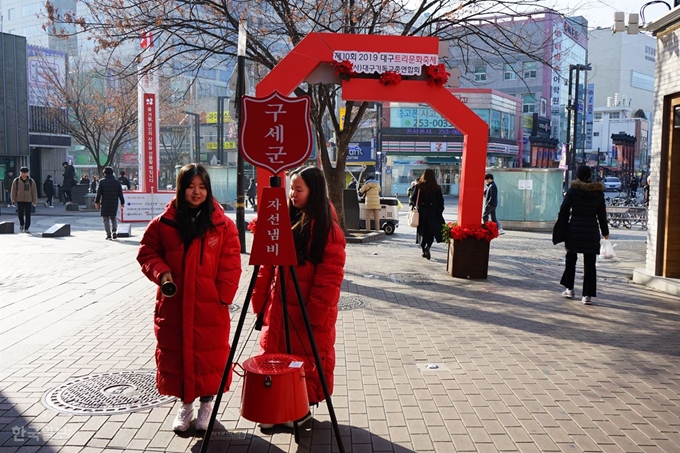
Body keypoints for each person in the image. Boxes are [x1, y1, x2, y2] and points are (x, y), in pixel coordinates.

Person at [137, 163, 242, 433]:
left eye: (202, 187)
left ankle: (207, 405)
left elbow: (231, 265)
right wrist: (162, 274)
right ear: (181, 188)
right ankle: (185, 406)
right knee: (178, 355)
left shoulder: (223, 225)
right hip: (173, 305)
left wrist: (222, 297)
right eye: (191, 187)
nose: (196, 192)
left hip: (209, 307)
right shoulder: (163, 223)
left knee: (209, 357)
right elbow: (147, 252)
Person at [251, 166, 346, 429]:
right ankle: (275, 409)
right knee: (275, 358)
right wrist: (260, 302)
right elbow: (267, 265)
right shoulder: (285, 220)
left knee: (303, 363)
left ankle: (299, 410)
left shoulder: (327, 230)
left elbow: (329, 279)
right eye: (291, 188)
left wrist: (314, 314)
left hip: (306, 314)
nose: (292, 194)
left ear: (313, 192)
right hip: (280, 309)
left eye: (298, 189)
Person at [557, 165, 610, 305]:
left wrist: (562, 227)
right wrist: (605, 232)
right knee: (590, 263)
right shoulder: (598, 192)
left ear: (578, 176)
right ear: (590, 176)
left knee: (571, 259)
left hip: (574, 230)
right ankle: (587, 295)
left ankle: (570, 288)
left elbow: (564, 210)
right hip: (592, 230)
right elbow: (601, 215)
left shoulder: (573, 190)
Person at [409, 169, 445, 260]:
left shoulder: (419, 186)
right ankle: (428, 246)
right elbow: (441, 201)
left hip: (422, 212)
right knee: (431, 232)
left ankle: (423, 248)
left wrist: (412, 207)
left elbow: (413, 199)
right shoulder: (437, 187)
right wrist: (439, 211)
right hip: (433, 212)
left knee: (422, 231)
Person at [95, 167, 125, 240]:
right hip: (114, 202)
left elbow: (99, 193)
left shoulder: (102, 181)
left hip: (105, 202)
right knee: (113, 218)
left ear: (105, 173)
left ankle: (108, 234)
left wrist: (97, 202)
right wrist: (122, 202)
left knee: (106, 219)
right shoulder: (117, 182)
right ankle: (114, 231)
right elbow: (120, 194)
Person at [10, 167, 38, 233]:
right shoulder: (16, 181)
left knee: (28, 214)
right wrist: (13, 198)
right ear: (20, 173)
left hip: (28, 200)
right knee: (20, 213)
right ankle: (22, 224)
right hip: (20, 199)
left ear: (27, 173)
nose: (23, 174)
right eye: (22, 173)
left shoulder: (31, 181)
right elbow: (13, 190)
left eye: (25, 173)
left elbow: (34, 191)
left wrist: (35, 200)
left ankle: (27, 228)